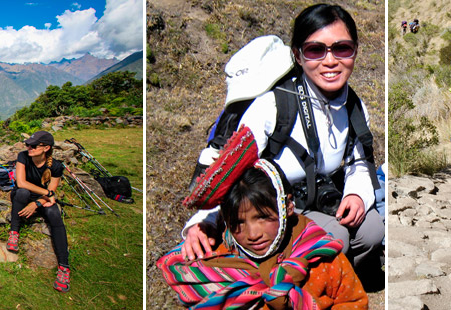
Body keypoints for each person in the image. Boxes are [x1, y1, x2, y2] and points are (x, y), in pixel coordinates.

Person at [180, 4, 384, 281]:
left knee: (373, 230)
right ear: (298, 56)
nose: (330, 60)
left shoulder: (354, 106)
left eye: (342, 48)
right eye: (315, 50)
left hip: (326, 194)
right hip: (279, 207)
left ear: (355, 51)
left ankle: (345, 280)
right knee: (334, 238)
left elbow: (359, 160)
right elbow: (229, 169)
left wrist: (357, 194)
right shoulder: (273, 106)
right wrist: (201, 222)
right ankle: (305, 288)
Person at [158, 129, 367, 309]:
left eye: (263, 217)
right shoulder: (214, 263)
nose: (253, 234)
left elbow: (353, 302)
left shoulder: (322, 257)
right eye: (238, 223)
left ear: (288, 206)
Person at [8, 130, 72, 292]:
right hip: (24, 195)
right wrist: (47, 194)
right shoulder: (23, 157)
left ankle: (64, 267)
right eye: (28, 144)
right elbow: (21, 183)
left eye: (34, 145)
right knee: (22, 192)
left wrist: (36, 203)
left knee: (54, 214)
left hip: (40, 200)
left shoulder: (56, 167)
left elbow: (52, 192)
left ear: (46, 148)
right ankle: (14, 233)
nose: (29, 147)